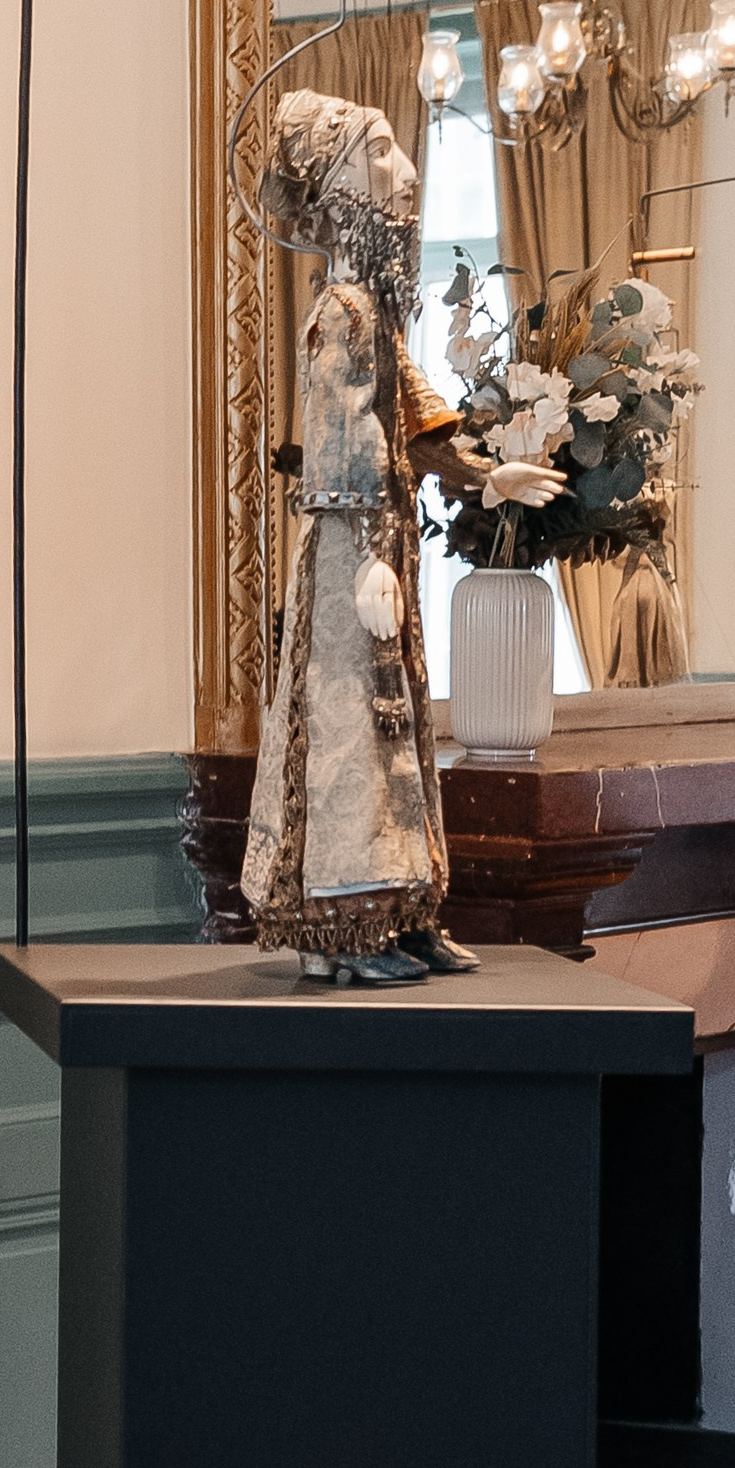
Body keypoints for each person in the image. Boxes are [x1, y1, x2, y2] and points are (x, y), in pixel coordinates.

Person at [241, 89, 475, 983]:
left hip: (381, 547)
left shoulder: (374, 310)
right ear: (339, 180)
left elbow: (415, 421)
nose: (405, 171)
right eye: (380, 153)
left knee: (395, 722)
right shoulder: (340, 309)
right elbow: (344, 436)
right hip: (352, 556)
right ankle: (342, 921)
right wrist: (370, 559)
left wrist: (492, 475)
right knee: (349, 724)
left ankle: (404, 908)